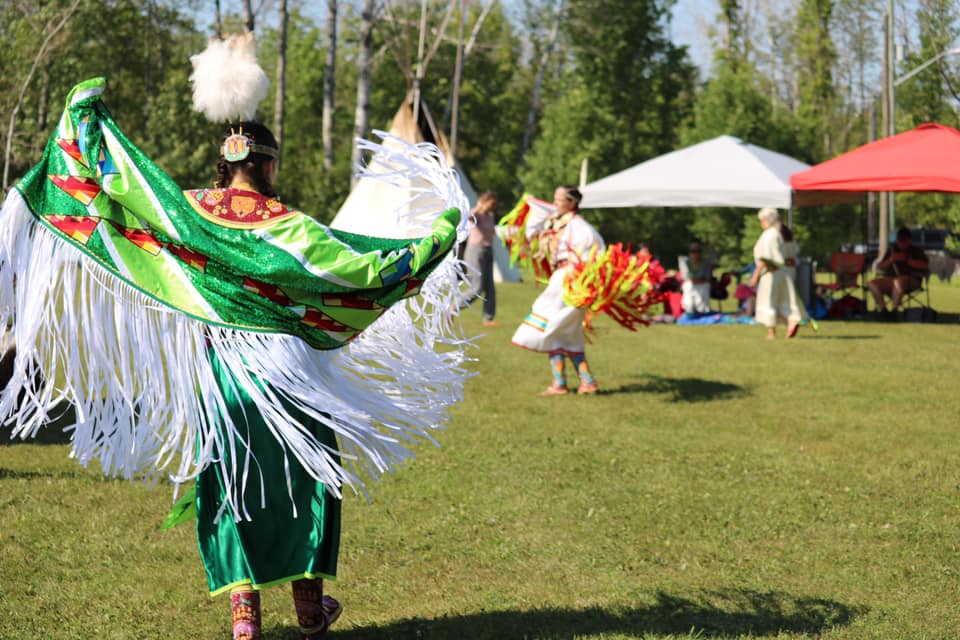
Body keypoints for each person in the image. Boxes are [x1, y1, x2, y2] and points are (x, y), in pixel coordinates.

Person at [0, 36, 468, 640]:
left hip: (222, 374)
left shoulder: (187, 215)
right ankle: (308, 610)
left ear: (225, 164)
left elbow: (127, 198)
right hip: (291, 372)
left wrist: (87, 125)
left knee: (229, 483)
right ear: (268, 165)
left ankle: (244, 619)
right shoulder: (291, 227)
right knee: (307, 480)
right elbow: (363, 270)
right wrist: (434, 238)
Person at [511, 185, 604, 396]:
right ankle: (583, 382)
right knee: (567, 333)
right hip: (566, 279)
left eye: (559, 199)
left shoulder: (581, 228)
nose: (555, 203)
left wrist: (581, 281)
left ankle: (562, 383)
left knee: (550, 326)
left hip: (570, 281)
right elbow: (532, 232)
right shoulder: (561, 223)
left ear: (572, 202)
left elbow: (596, 255)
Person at [748, 208, 802, 339]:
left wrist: (755, 276)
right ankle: (791, 321)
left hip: (771, 273)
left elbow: (765, 258)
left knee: (768, 301)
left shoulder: (769, 235)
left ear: (766, 220)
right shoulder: (777, 234)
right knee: (784, 299)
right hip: (783, 273)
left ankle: (771, 332)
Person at [868, 227, 929, 316]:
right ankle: (883, 310)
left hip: (911, 280)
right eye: (899, 240)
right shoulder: (892, 251)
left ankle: (894, 311)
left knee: (898, 281)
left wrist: (907, 260)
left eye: (904, 240)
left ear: (909, 240)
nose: (901, 243)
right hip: (890, 280)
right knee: (872, 284)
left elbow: (924, 265)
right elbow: (880, 267)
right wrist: (891, 260)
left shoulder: (916, 251)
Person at [460, 191, 498, 326]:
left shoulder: (491, 216)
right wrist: (479, 206)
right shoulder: (476, 214)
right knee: (477, 287)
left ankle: (489, 318)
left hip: (488, 251)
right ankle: (453, 306)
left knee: (490, 287)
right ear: (484, 201)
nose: (492, 206)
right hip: (475, 251)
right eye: (490, 203)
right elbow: (467, 216)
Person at [678, 241, 712, 314]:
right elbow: (685, 276)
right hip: (690, 284)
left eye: (697, 251)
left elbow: (707, 276)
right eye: (693, 251)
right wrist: (693, 279)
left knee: (705, 287)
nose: (695, 254)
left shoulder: (705, 262)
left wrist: (698, 280)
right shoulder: (685, 262)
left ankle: (703, 311)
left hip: (702, 284)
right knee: (688, 287)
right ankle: (690, 311)